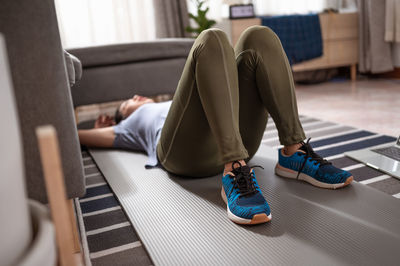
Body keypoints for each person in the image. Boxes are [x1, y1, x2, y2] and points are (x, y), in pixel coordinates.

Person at [78, 26, 353, 225]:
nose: (136, 97)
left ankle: (294, 151)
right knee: (211, 38)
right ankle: (233, 172)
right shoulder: (130, 125)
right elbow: (77, 136)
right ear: (122, 116)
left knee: (258, 36)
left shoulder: (180, 102)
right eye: (128, 102)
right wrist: (103, 124)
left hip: (239, 140)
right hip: (185, 156)